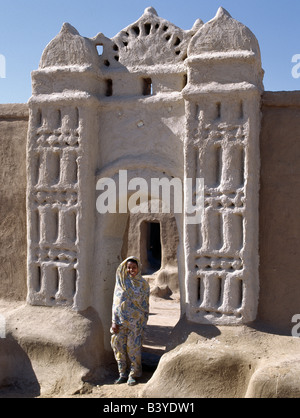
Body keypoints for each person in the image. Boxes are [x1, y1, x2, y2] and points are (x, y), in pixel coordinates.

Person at [111, 256, 150, 386]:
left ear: (138, 268)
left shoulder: (143, 285)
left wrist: (142, 322)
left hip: (136, 323)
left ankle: (133, 374)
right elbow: (115, 304)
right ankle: (122, 373)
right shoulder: (121, 283)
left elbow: (145, 305)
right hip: (121, 322)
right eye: (128, 267)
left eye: (133, 267)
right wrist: (114, 321)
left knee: (133, 349)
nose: (131, 270)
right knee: (119, 348)